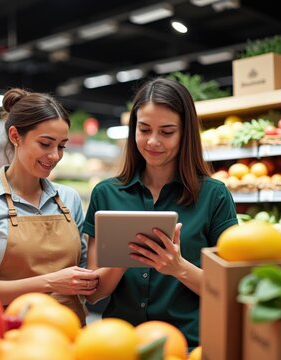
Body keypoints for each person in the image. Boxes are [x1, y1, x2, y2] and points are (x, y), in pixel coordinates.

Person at [84, 78, 238, 347]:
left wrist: (178, 268)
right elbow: (95, 294)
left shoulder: (214, 196)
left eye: (167, 132)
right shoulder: (106, 194)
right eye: (144, 130)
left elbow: (229, 290)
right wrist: (124, 256)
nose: (153, 141)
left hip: (189, 345)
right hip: (118, 345)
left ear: (185, 133)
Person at [0, 88, 98, 324]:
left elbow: (84, 276)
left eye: (61, 146)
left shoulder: (69, 199)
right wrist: (50, 282)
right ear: (15, 136)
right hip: (9, 335)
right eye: (45, 144)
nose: (54, 156)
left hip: (69, 335)